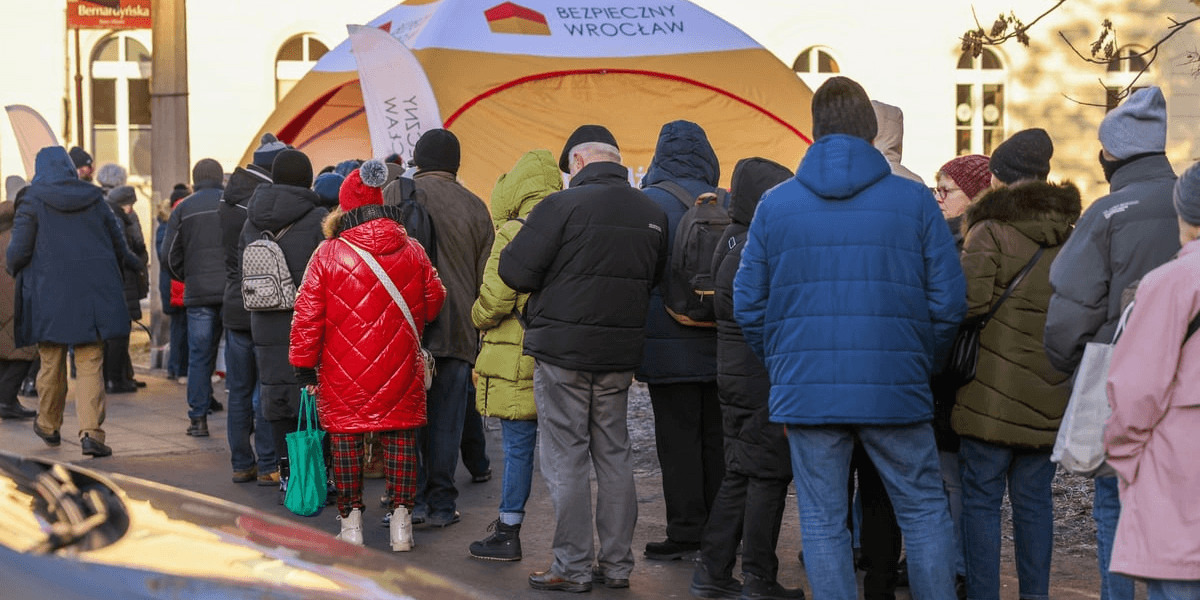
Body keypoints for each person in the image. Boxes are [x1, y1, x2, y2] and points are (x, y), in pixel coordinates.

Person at [733, 77, 964, 600]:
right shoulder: (914, 201)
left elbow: (747, 304)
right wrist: (917, 362)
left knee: (821, 519)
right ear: (870, 130)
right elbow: (948, 302)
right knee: (924, 510)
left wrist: (787, 365)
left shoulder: (775, 204)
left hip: (807, 389)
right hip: (895, 384)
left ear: (815, 130)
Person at [499, 124, 669, 593]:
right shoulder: (652, 212)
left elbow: (513, 271)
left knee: (567, 456)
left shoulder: (560, 206)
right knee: (614, 455)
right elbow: (654, 278)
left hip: (562, 353)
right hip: (619, 355)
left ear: (576, 161)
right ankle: (616, 565)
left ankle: (572, 566)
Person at [1043, 86, 1179, 600]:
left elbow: (1069, 311)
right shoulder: (1188, 202)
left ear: (1112, 154)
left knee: (1113, 502)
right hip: (1187, 384)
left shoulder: (1106, 214)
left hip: (1120, 380)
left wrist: (1071, 365)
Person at [289, 160, 446, 552]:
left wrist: (304, 368)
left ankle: (351, 525)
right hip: (400, 362)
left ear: (345, 209)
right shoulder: (413, 249)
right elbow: (435, 299)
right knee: (400, 436)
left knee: (346, 439)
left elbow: (307, 315)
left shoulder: (327, 254)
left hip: (342, 368)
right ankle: (402, 526)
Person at [952, 128, 1080, 600]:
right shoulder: (1070, 235)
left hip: (989, 394)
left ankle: (983, 593)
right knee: (1034, 503)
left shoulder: (989, 230)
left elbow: (968, 305)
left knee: (981, 501)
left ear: (1000, 177)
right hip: (1049, 388)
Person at [691, 157, 801, 600]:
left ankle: (713, 570)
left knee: (741, 473)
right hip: (760, 375)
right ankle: (758, 577)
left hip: (736, 373)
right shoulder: (758, 245)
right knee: (768, 475)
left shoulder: (732, 238)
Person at [7, 146, 143, 457]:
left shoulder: (32, 199)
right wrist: (134, 263)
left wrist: (13, 268)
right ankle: (91, 433)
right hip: (92, 292)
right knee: (90, 360)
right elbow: (118, 242)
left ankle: (48, 423)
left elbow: (18, 251)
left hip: (48, 293)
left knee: (51, 360)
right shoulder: (94, 198)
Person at [1104, 161, 1200, 600]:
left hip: (1180, 470)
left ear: (1186, 216)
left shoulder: (1170, 282)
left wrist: (1124, 457)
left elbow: (1136, 390)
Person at [637, 119, 726, 563]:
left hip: (667, 341)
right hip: (721, 341)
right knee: (718, 440)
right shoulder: (725, 200)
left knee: (677, 443)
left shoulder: (649, 202)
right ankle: (721, 530)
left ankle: (686, 530)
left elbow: (641, 273)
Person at [467, 149, 562, 562]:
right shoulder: (570, 223)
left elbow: (495, 299)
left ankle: (508, 532)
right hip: (560, 352)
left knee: (519, 447)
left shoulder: (512, 232)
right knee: (569, 450)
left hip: (515, 353)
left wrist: (476, 316)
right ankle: (574, 544)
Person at [409, 128, 494, 528]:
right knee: (446, 422)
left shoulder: (397, 195)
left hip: (406, 330)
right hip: (457, 330)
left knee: (407, 418)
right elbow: (486, 280)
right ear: (455, 164)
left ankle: (409, 500)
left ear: (418, 160)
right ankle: (442, 503)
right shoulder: (475, 206)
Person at [240, 149, 327, 490]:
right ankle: (316, 478)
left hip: (264, 317)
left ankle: (288, 476)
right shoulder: (319, 218)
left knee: (275, 394)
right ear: (308, 178)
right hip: (308, 318)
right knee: (312, 394)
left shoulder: (251, 220)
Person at [929, 152, 992, 596]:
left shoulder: (966, 244)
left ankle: (957, 567)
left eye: (946, 191)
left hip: (957, 375)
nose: (939, 199)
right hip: (956, 375)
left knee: (955, 481)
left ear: (974, 195)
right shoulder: (953, 237)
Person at [219, 135, 279, 484]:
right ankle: (268, 463)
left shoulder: (227, 201)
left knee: (239, 391)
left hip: (234, 303)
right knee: (264, 388)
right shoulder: (264, 205)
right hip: (262, 305)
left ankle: (241, 462)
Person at [162, 158, 229, 437]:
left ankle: (198, 418)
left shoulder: (183, 208)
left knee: (199, 356)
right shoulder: (234, 203)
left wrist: (187, 276)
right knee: (236, 354)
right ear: (219, 177)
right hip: (230, 291)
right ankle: (242, 419)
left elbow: (168, 255)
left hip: (198, 293)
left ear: (195, 179)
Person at [103, 185, 149, 394]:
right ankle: (116, 379)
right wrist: (138, 263)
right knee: (120, 334)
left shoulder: (112, 215)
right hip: (124, 281)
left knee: (118, 333)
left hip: (119, 281)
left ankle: (122, 376)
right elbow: (124, 250)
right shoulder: (118, 219)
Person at [0, 191, 37, 420]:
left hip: (4, 304)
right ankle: (6, 401)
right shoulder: (16, 236)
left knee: (6, 353)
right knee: (25, 352)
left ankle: (8, 400)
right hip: (15, 301)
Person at [158, 184, 190, 383]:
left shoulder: (165, 225)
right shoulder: (171, 225)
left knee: (178, 329)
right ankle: (178, 369)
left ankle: (174, 367)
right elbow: (168, 256)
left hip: (173, 285)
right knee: (180, 329)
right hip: (176, 285)